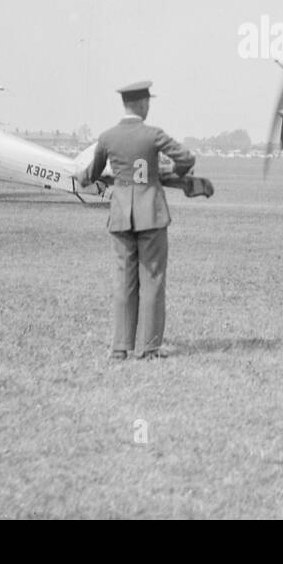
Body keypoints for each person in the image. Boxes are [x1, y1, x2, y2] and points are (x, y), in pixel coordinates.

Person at [81, 81, 195, 361]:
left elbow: (92, 173)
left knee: (123, 281)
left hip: (121, 216)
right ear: (143, 104)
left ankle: (120, 347)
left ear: (125, 105)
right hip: (152, 214)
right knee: (153, 279)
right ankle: (149, 347)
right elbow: (186, 157)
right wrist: (169, 173)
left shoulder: (107, 137)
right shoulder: (153, 134)